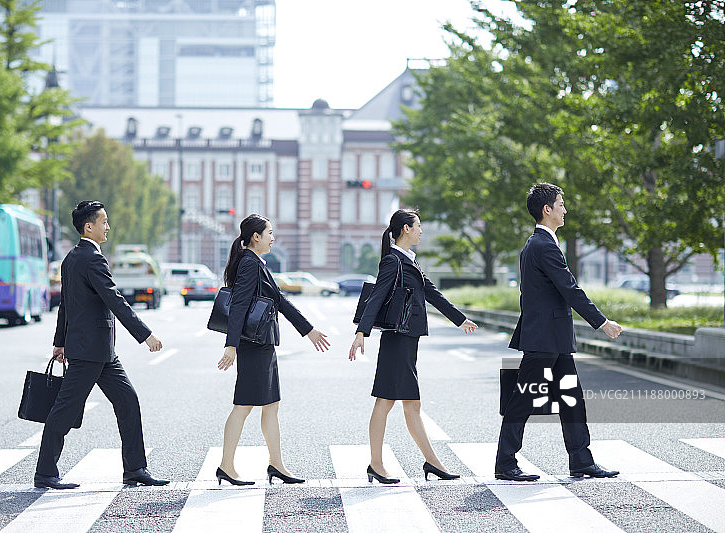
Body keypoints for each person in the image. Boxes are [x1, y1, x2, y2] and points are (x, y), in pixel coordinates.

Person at [34, 201, 168, 490]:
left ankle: (135, 469)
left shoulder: (71, 258)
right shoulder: (92, 259)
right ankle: (45, 473)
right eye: (103, 222)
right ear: (88, 227)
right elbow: (114, 299)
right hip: (89, 353)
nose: (108, 227)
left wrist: (59, 342)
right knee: (64, 410)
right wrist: (145, 334)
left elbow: (65, 307)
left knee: (128, 402)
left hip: (100, 352)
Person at [495, 183, 623, 482]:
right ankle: (505, 463)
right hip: (544, 340)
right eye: (561, 204)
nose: (565, 209)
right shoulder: (543, 245)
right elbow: (570, 290)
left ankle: (581, 461)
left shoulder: (537, 244)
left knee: (571, 399)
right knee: (524, 399)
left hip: (552, 338)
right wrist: (602, 322)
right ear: (547, 209)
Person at [349, 209, 478, 484]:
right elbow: (376, 298)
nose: (421, 231)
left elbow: (432, 293)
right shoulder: (393, 261)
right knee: (387, 402)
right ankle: (378, 464)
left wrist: (460, 319)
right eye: (418, 225)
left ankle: (432, 462)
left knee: (411, 404)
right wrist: (362, 332)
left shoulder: (409, 260)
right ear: (406, 229)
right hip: (397, 340)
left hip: (407, 340)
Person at [216, 214, 330, 486]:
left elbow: (281, 301)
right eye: (269, 232)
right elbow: (240, 305)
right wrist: (231, 345)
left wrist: (309, 330)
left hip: (263, 345)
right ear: (256, 236)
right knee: (243, 406)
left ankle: (276, 465)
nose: (273, 237)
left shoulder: (256, 263)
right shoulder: (248, 264)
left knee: (271, 406)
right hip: (253, 346)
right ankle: (226, 466)